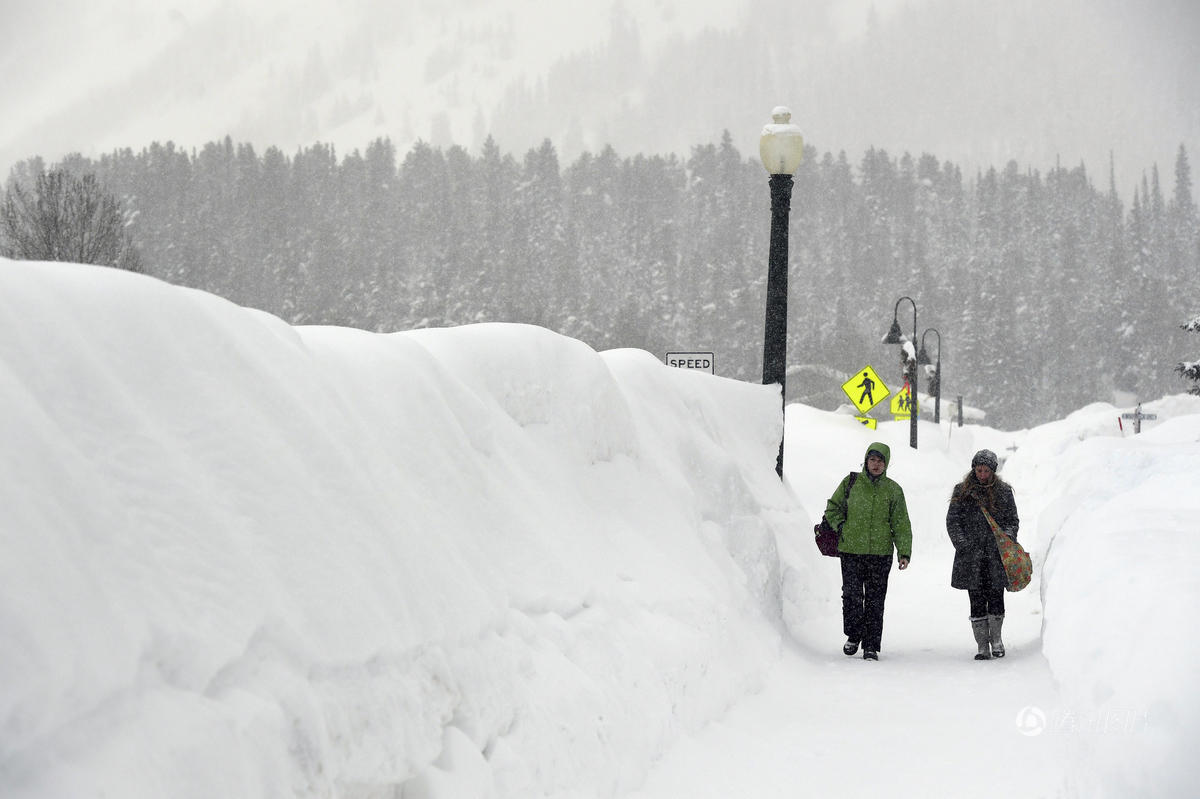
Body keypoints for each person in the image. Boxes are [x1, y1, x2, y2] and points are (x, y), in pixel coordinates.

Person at [822, 442, 912, 661]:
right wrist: (842, 526)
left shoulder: (893, 490)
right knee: (851, 596)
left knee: (875, 600)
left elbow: (901, 523)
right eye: (872, 459)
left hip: (880, 554)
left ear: (886, 463)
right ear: (866, 461)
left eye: (880, 460)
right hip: (851, 550)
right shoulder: (851, 483)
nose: (876, 464)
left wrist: (904, 552)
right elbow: (832, 508)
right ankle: (854, 635)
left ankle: (871, 644)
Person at [945, 449, 1020, 660]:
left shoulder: (1003, 492)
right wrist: (962, 544)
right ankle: (981, 645)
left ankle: (996, 640)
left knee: (996, 596)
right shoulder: (962, 491)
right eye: (978, 469)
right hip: (971, 556)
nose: (982, 474)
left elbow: (1012, 521)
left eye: (986, 470)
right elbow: (953, 521)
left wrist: (1006, 538)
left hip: (996, 555)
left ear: (993, 471)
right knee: (976, 598)